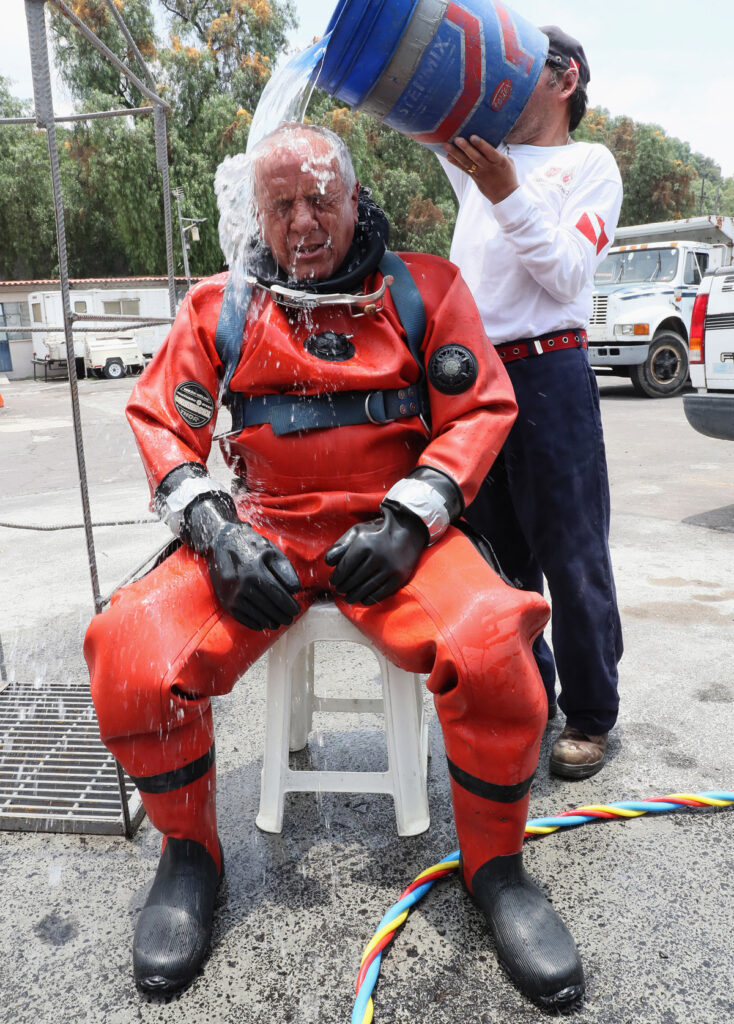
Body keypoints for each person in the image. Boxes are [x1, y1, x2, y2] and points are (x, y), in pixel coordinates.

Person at [84, 123, 585, 1011]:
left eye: (321, 199)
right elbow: (164, 423)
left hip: (399, 537)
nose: (304, 222)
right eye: (281, 206)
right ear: (258, 214)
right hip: (262, 531)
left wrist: (412, 514)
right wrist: (212, 529)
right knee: (129, 651)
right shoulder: (219, 305)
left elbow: (478, 411)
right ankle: (189, 855)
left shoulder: (429, 289)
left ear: (358, 198)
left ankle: (497, 868)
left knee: (498, 646)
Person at [439, 25, 624, 780]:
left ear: (565, 77)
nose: (505, 84)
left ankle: (591, 715)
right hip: (474, 382)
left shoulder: (590, 165)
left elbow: (567, 276)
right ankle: (530, 694)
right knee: (496, 559)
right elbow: (421, 107)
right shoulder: (487, 160)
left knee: (571, 554)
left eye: (523, 68)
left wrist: (508, 195)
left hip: (550, 373)